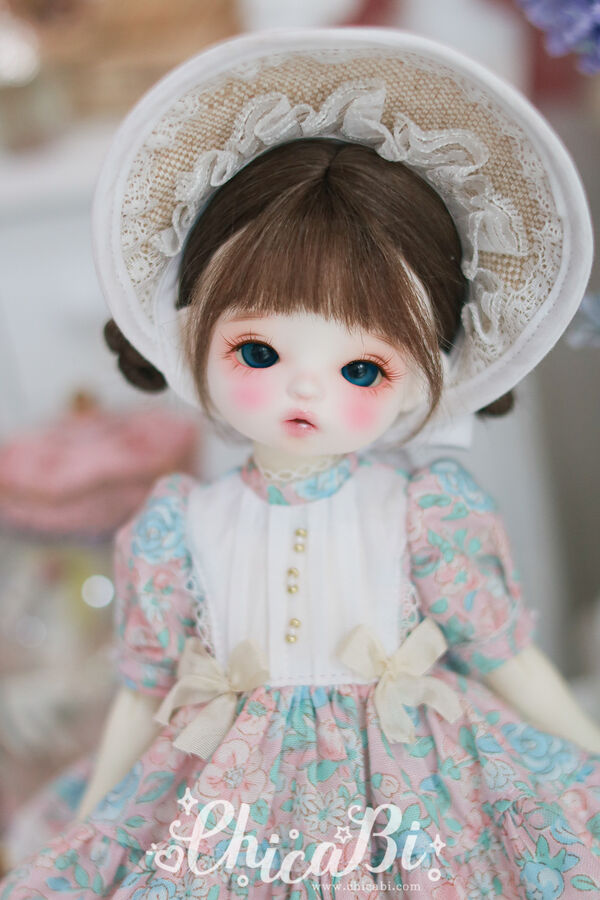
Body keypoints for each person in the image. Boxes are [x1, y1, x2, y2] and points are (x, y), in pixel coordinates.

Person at [2, 28, 600, 898]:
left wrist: (585, 748)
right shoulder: (182, 525)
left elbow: (506, 655)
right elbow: (141, 692)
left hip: (412, 800)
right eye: (258, 351)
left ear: (425, 375)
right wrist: (95, 823)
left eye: (362, 369)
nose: (306, 389)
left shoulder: (424, 512)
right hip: (237, 814)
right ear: (190, 331)